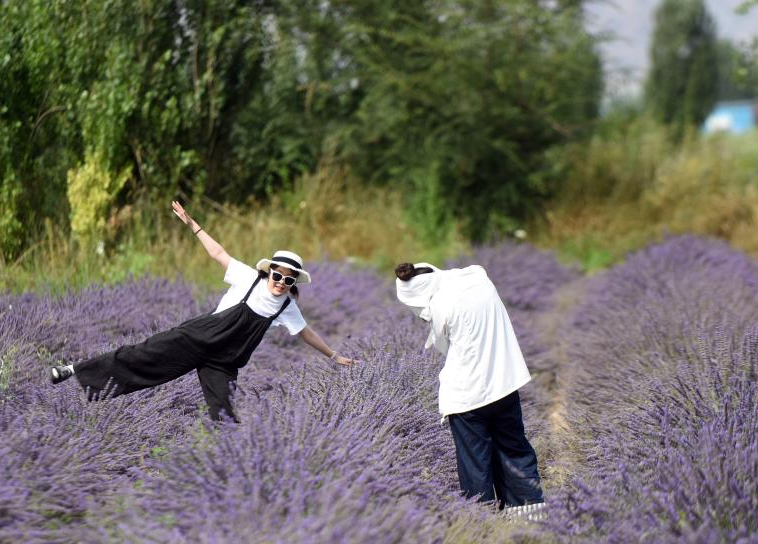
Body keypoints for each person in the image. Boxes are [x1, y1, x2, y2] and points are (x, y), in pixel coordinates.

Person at [50, 200, 355, 420]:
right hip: (196, 338)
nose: (281, 282)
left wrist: (334, 356)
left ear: (293, 283)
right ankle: (75, 370)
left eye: (288, 280)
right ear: (269, 271)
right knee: (140, 355)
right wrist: (191, 224)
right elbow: (218, 253)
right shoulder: (248, 277)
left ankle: (226, 467)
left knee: (224, 412)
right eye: (278, 275)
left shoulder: (287, 306)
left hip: (224, 360)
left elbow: (306, 333)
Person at [394, 262, 544, 510]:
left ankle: (482, 521)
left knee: (475, 463)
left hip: (467, 396)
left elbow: (444, 346)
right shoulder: (478, 279)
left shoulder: (441, 305)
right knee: (514, 449)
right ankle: (529, 513)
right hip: (504, 383)